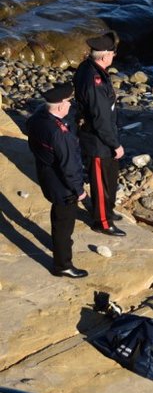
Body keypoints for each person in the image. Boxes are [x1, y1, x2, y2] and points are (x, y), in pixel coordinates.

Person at [25, 83, 88, 278]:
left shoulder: (37, 117)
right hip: (63, 186)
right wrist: (79, 190)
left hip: (46, 174)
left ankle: (58, 245)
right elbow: (69, 168)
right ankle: (63, 265)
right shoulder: (60, 134)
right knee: (64, 223)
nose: (71, 105)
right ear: (60, 106)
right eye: (69, 102)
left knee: (58, 217)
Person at [73, 30, 125, 236]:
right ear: (105, 56)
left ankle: (107, 210)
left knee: (110, 177)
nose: (113, 57)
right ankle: (102, 221)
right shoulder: (94, 81)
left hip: (99, 135)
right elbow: (100, 118)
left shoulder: (88, 67)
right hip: (97, 140)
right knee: (101, 181)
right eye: (112, 54)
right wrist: (115, 144)